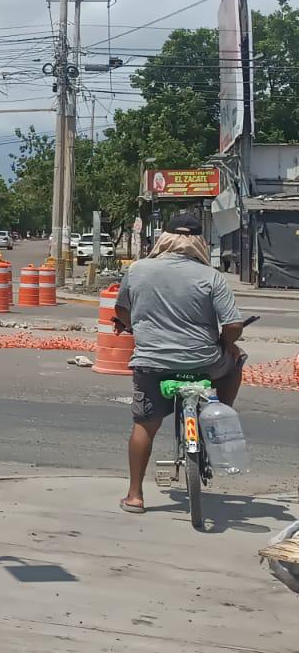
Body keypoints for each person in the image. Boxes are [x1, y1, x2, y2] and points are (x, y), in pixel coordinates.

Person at [113, 213, 246, 514]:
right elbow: (233, 325)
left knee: (144, 425)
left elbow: (122, 311)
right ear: (199, 242)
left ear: (164, 238)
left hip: (153, 362)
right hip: (205, 362)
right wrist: (228, 344)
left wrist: (136, 327)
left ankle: (135, 495)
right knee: (235, 363)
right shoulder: (211, 277)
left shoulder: (137, 270)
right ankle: (220, 413)